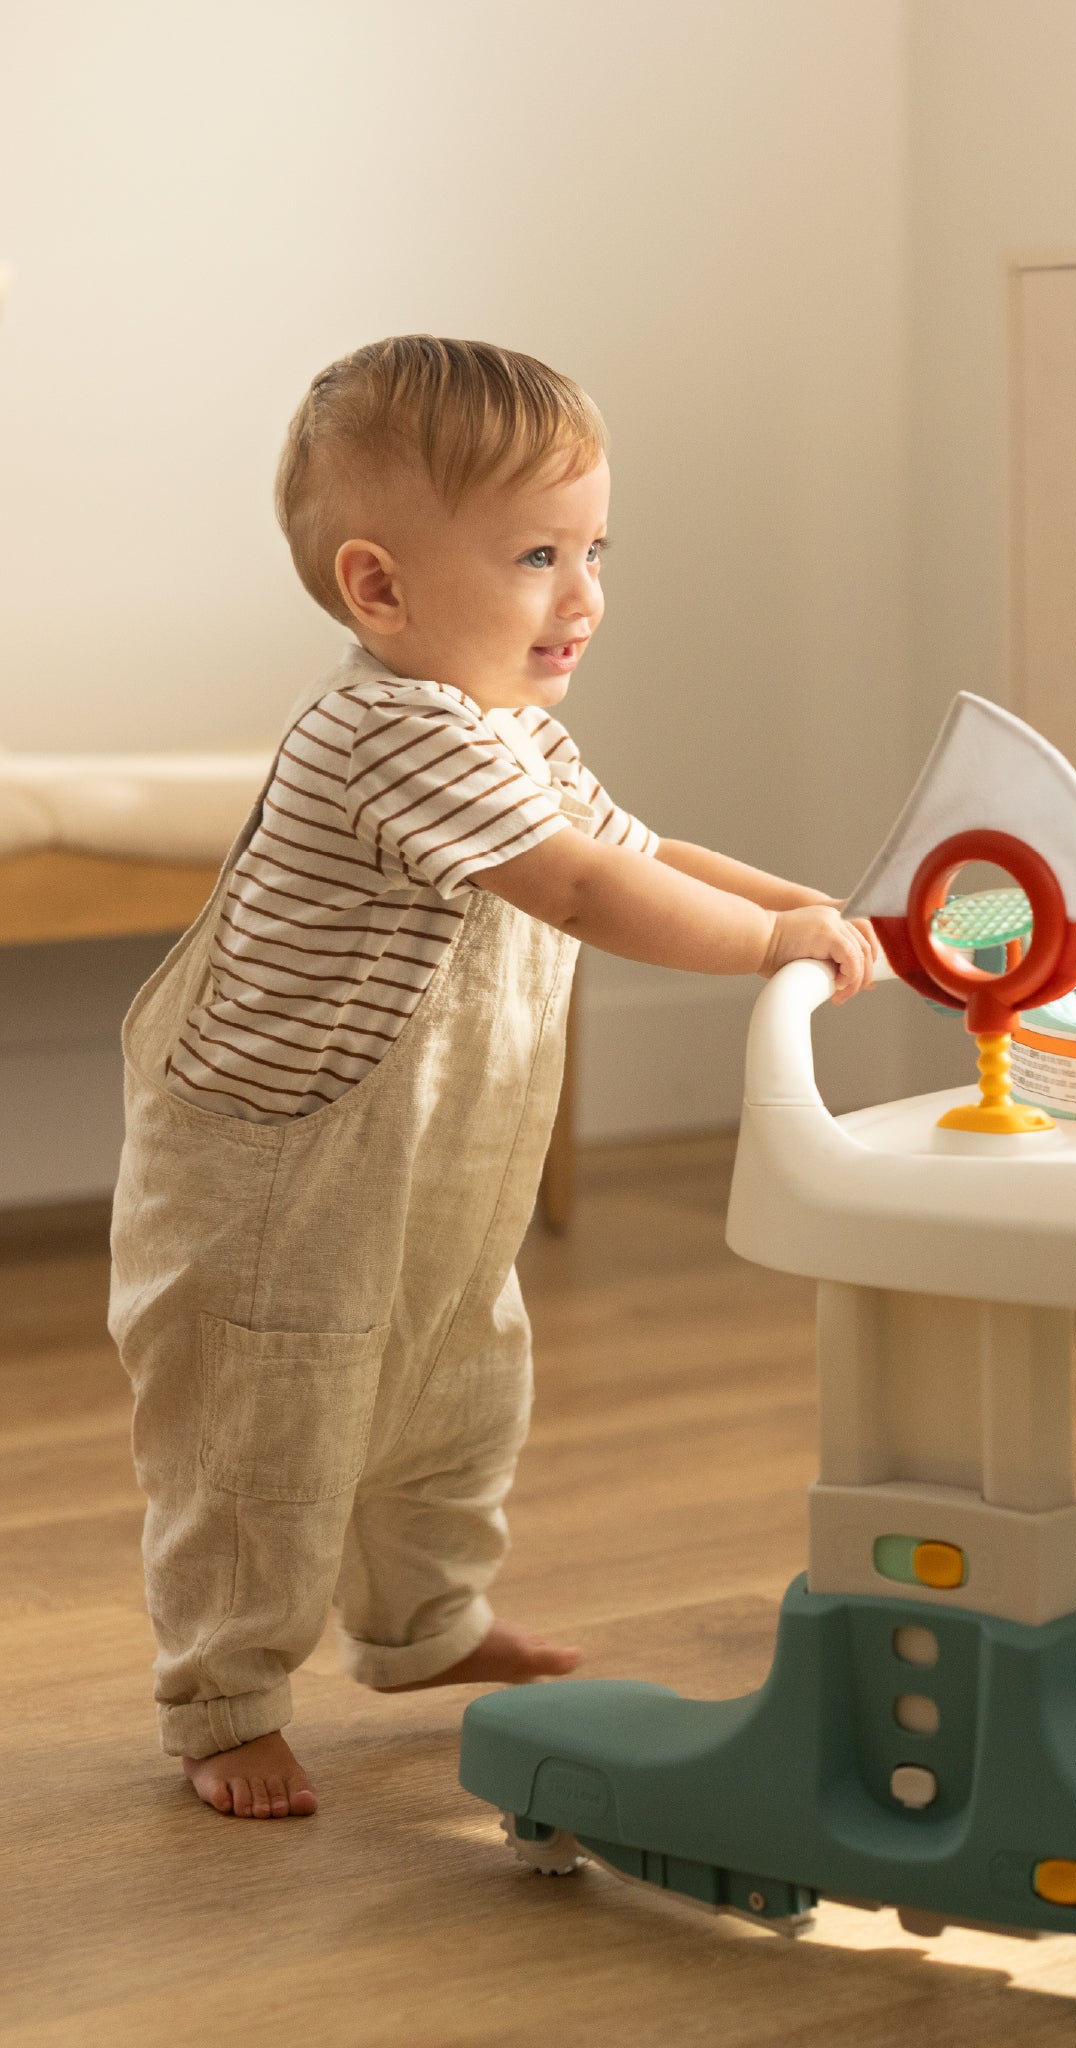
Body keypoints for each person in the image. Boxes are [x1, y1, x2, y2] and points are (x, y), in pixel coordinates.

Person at [109, 336, 875, 1820]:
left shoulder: (510, 731)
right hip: (277, 1190)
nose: (584, 595)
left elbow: (642, 852)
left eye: (594, 551)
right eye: (537, 557)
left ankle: (424, 1626)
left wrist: (816, 906)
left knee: (451, 1395)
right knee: (266, 1443)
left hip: (428, 1174)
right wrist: (771, 944)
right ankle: (224, 1697)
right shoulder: (388, 734)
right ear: (379, 589)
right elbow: (583, 891)